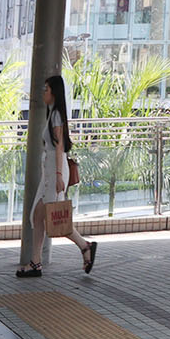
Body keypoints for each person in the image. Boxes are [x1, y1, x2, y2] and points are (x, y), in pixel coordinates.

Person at [16, 73, 98, 277]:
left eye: (46, 89)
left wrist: (60, 175)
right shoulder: (52, 113)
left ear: (54, 92)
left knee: (55, 216)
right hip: (51, 168)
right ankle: (36, 263)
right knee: (37, 216)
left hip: (55, 168)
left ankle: (85, 246)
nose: (43, 92)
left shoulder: (56, 115)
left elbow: (60, 145)